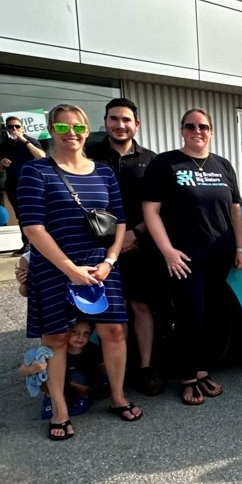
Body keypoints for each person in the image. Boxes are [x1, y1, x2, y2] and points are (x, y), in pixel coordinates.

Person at [17, 103, 139, 441]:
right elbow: (33, 227)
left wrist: (110, 260)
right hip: (54, 268)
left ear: (87, 131)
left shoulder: (103, 172)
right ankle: (60, 409)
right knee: (55, 338)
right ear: (51, 131)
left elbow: (120, 221)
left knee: (114, 332)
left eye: (77, 128)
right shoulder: (35, 171)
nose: (71, 134)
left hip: (100, 266)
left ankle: (117, 396)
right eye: (62, 128)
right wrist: (70, 269)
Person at [142, 108, 242, 406]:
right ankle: (187, 378)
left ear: (211, 131)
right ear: (182, 130)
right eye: (191, 126)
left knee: (212, 317)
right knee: (190, 317)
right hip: (183, 258)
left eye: (203, 126)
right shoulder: (166, 164)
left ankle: (201, 371)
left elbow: (235, 211)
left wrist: (239, 248)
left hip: (220, 255)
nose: (197, 131)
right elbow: (150, 212)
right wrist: (167, 251)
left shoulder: (223, 165)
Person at [86, 98, 164, 397]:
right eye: (114, 119)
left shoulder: (152, 160)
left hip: (139, 244)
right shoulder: (89, 155)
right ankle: (111, 370)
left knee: (141, 306)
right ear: (105, 121)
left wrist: (136, 235)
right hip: (96, 245)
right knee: (105, 310)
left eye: (126, 120)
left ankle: (145, 368)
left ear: (136, 124)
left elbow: (158, 206)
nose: (120, 125)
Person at [20, 321, 109, 419]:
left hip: (81, 384)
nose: (80, 337)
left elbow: (105, 368)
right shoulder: (52, 350)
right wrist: (33, 368)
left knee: (76, 377)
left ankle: (83, 397)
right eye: (74, 332)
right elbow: (22, 370)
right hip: (59, 384)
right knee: (42, 373)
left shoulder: (93, 350)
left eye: (86, 333)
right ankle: (52, 398)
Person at [0, 115, 46, 254]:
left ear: (22, 128)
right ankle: (27, 244)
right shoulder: (5, 144)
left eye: (17, 126)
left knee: (37, 214)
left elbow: (41, 157)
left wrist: (23, 140)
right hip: (13, 184)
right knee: (21, 216)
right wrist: (1, 163)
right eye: (10, 127)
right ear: (6, 129)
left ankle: (43, 244)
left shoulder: (31, 141)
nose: (14, 129)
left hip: (33, 185)